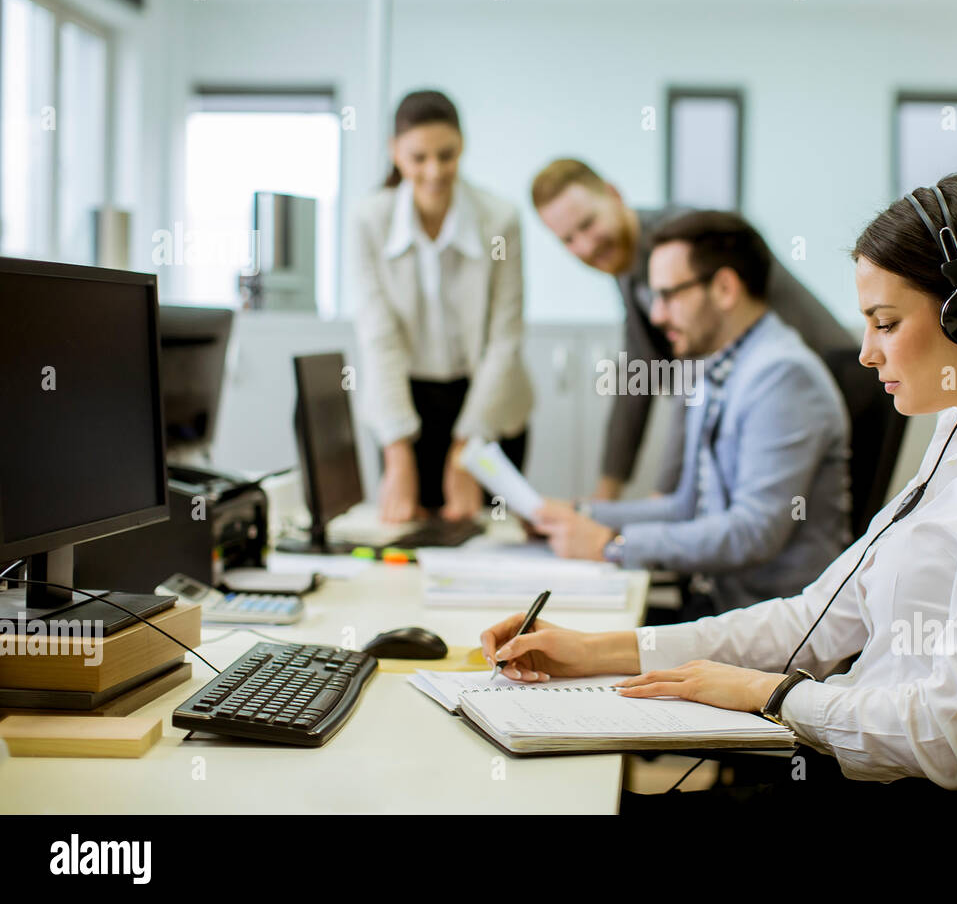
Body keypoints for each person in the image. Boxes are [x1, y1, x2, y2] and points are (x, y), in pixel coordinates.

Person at [482, 173, 957, 813]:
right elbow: (810, 619)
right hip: (838, 761)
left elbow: (949, 740)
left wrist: (771, 695)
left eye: (887, 323)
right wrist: (595, 649)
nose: (865, 354)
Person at [534, 211, 850, 618]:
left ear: (723, 288)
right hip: (721, 609)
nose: (657, 315)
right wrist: (580, 516)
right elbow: (687, 505)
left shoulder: (783, 376)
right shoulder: (713, 368)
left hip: (773, 623)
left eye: (669, 295)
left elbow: (753, 533)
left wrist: (613, 545)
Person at [531, 158, 855, 500]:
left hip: (830, 388)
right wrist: (605, 498)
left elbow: (696, 378)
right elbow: (639, 376)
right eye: (568, 239)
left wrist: (658, 502)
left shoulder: (682, 244)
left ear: (614, 194)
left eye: (588, 224)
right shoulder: (628, 265)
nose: (585, 246)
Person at [349, 90, 532, 522]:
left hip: (489, 403)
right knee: (408, 532)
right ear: (395, 153)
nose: (434, 171)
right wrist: (397, 453)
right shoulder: (368, 221)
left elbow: (504, 340)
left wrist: (468, 448)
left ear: (462, 146)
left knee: (483, 535)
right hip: (405, 404)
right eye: (418, 157)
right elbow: (379, 338)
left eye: (446, 155)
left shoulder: (500, 220)